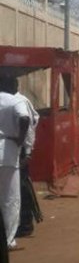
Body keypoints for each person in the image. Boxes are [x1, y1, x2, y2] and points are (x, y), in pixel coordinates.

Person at [0, 75, 30, 250]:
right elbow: (24, 118)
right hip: (8, 153)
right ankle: (9, 240)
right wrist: (20, 139)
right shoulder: (14, 101)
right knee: (10, 199)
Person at [10, 80, 41, 238]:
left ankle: (25, 223)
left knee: (21, 188)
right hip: (11, 150)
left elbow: (29, 124)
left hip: (19, 149)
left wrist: (27, 151)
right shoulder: (7, 101)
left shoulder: (21, 102)